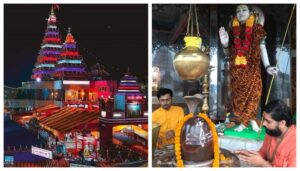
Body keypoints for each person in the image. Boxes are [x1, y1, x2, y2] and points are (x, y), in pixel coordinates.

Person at [219, 5, 279, 132]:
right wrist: (224, 44)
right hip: (236, 72)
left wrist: (267, 66)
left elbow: (262, 49)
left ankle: (249, 122)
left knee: (253, 96)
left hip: (252, 70)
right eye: (238, 11)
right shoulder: (232, 31)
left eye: (244, 10)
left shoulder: (257, 30)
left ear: (251, 13)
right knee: (239, 99)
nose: (240, 13)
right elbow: (227, 53)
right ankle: (246, 122)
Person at [234, 100, 296, 167]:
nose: (264, 124)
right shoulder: (271, 131)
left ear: (282, 123)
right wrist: (248, 155)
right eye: (264, 119)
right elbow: (263, 153)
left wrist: (263, 164)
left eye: (268, 121)